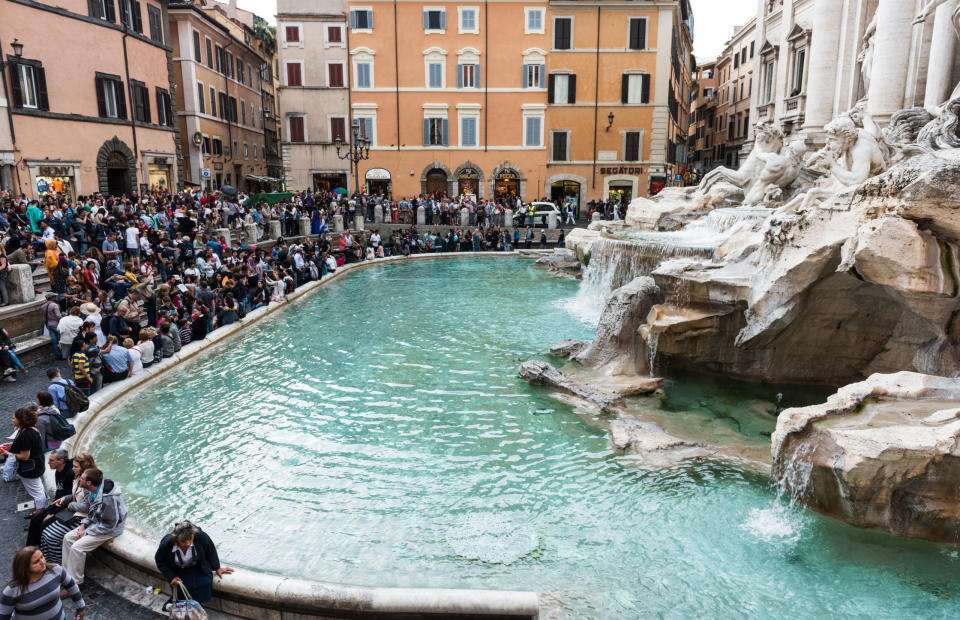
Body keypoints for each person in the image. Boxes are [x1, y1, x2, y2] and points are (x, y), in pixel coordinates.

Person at [61, 467, 127, 587]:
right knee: (67, 538)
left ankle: (76, 583)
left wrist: (87, 532)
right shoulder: (93, 491)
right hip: (97, 522)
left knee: (77, 548)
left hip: (110, 529)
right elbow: (92, 512)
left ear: (89, 483)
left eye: (81, 478)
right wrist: (83, 525)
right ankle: (67, 574)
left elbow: (111, 524)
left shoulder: (108, 498)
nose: (79, 479)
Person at [154, 520, 234, 608]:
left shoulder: (200, 536)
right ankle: (181, 606)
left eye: (190, 540)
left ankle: (196, 607)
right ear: (177, 539)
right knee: (180, 586)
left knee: (204, 582)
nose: (188, 544)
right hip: (178, 569)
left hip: (197, 567)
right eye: (184, 542)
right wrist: (171, 576)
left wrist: (217, 568)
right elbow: (160, 561)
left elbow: (210, 550)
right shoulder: (167, 544)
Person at [36, 454, 94, 567]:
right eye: (73, 466)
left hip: (83, 517)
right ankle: (49, 563)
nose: (72, 469)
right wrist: (65, 498)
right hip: (75, 513)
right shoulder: (77, 478)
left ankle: (60, 565)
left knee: (51, 536)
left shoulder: (88, 482)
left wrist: (70, 505)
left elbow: (88, 507)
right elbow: (75, 495)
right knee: (45, 533)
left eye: (76, 467)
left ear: (84, 468)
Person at [0, 546, 86, 620]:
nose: (42, 562)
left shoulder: (56, 570)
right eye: (36, 562)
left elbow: (71, 585)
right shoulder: (11, 591)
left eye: (42, 557)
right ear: (24, 568)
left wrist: (81, 607)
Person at [0, 408, 47, 509]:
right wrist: (11, 444)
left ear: (20, 420)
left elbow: (25, 457)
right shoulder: (30, 429)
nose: (12, 419)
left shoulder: (25, 435)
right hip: (37, 463)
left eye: (14, 418)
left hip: (30, 469)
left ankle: (40, 510)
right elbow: (28, 445)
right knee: (37, 488)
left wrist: (7, 453)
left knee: (36, 492)